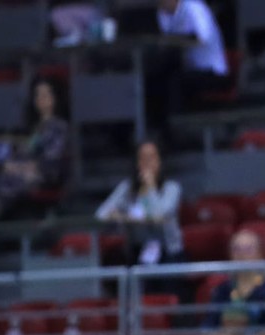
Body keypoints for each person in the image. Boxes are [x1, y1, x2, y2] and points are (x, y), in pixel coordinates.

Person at [0, 78, 69, 258]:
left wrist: (17, 167)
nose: (41, 99)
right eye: (38, 95)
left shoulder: (59, 127)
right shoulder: (32, 128)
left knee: (2, 182)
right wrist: (11, 164)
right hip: (17, 170)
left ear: (56, 98)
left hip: (40, 175)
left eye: (46, 94)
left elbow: (50, 162)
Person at [95, 141, 184, 266]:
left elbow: (159, 214)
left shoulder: (172, 188)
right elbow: (101, 214)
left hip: (168, 253)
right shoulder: (127, 188)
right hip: (136, 251)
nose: (147, 163)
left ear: (160, 162)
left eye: (152, 157)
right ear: (137, 163)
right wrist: (127, 218)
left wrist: (150, 187)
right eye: (143, 158)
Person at [148, 0, 229, 131]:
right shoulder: (162, 13)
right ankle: (160, 131)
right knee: (156, 79)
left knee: (175, 82)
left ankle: (179, 131)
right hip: (187, 69)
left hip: (211, 71)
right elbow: (163, 41)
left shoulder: (195, 7)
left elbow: (203, 37)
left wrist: (174, 41)